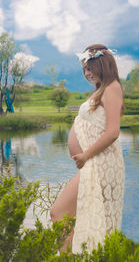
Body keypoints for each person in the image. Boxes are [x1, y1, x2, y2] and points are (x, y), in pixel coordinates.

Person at [50, 44, 125, 254]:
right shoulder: (103, 90)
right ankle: (73, 256)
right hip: (93, 164)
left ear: (103, 65)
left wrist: (85, 154)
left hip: (100, 164)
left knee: (58, 212)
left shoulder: (113, 89)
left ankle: (67, 258)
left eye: (90, 68)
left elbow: (113, 132)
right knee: (71, 217)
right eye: (85, 70)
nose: (87, 74)